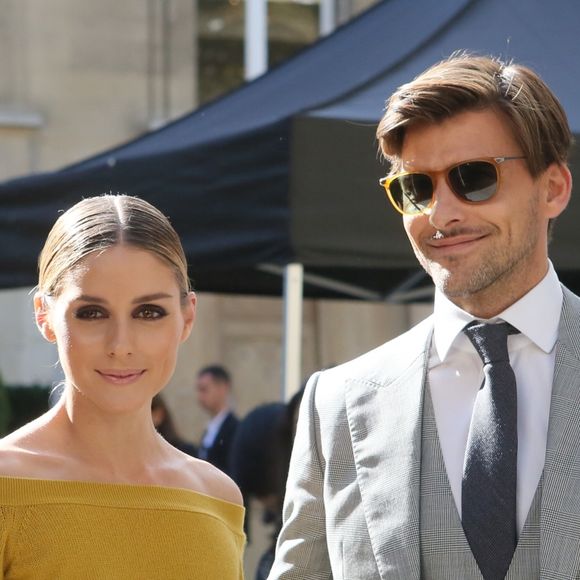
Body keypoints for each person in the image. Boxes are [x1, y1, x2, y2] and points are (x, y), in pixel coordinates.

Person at [269, 52, 578, 580]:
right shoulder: (339, 404)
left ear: (552, 189)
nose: (441, 214)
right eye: (417, 187)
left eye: (473, 178)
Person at [0, 195, 245, 579]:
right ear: (44, 317)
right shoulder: (7, 485)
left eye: (148, 312)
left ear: (187, 317)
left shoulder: (216, 497)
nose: (121, 344)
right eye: (92, 313)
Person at [196, 364, 239, 476]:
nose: (200, 397)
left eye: (204, 390)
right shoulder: (209, 428)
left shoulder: (234, 428)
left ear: (222, 388)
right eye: (199, 390)